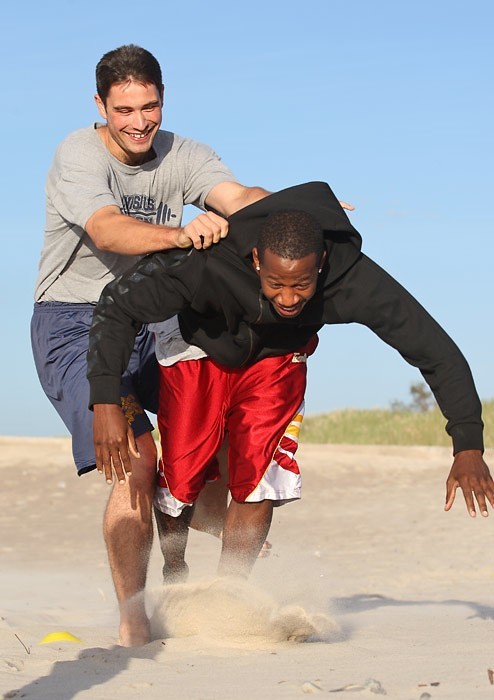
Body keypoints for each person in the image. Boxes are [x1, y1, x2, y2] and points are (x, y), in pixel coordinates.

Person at [87, 180, 494, 588]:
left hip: (276, 356)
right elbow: (117, 307)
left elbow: (436, 350)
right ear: (257, 260)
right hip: (198, 344)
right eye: (276, 284)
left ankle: (229, 593)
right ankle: (175, 569)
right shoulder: (204, 262)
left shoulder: (354, 278)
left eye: (302, 285)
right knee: (182, 474)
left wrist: (468, 445)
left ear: (320, 264)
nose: (287, 298)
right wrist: (105, 401)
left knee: (261, 479)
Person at [30, 43, 272, 647]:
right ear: (100, 106)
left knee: (223, 455)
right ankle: (135, 623)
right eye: (125, 110)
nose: (140, 122)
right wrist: (181, 235)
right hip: (75, 321)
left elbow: (235, 198)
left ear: (164, 100)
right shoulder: (77, 154)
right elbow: (108, 228)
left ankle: (226, 599)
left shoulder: (183, 153)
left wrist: (293, 209)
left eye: (151, 107)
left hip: (158, 323)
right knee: (138, 462)